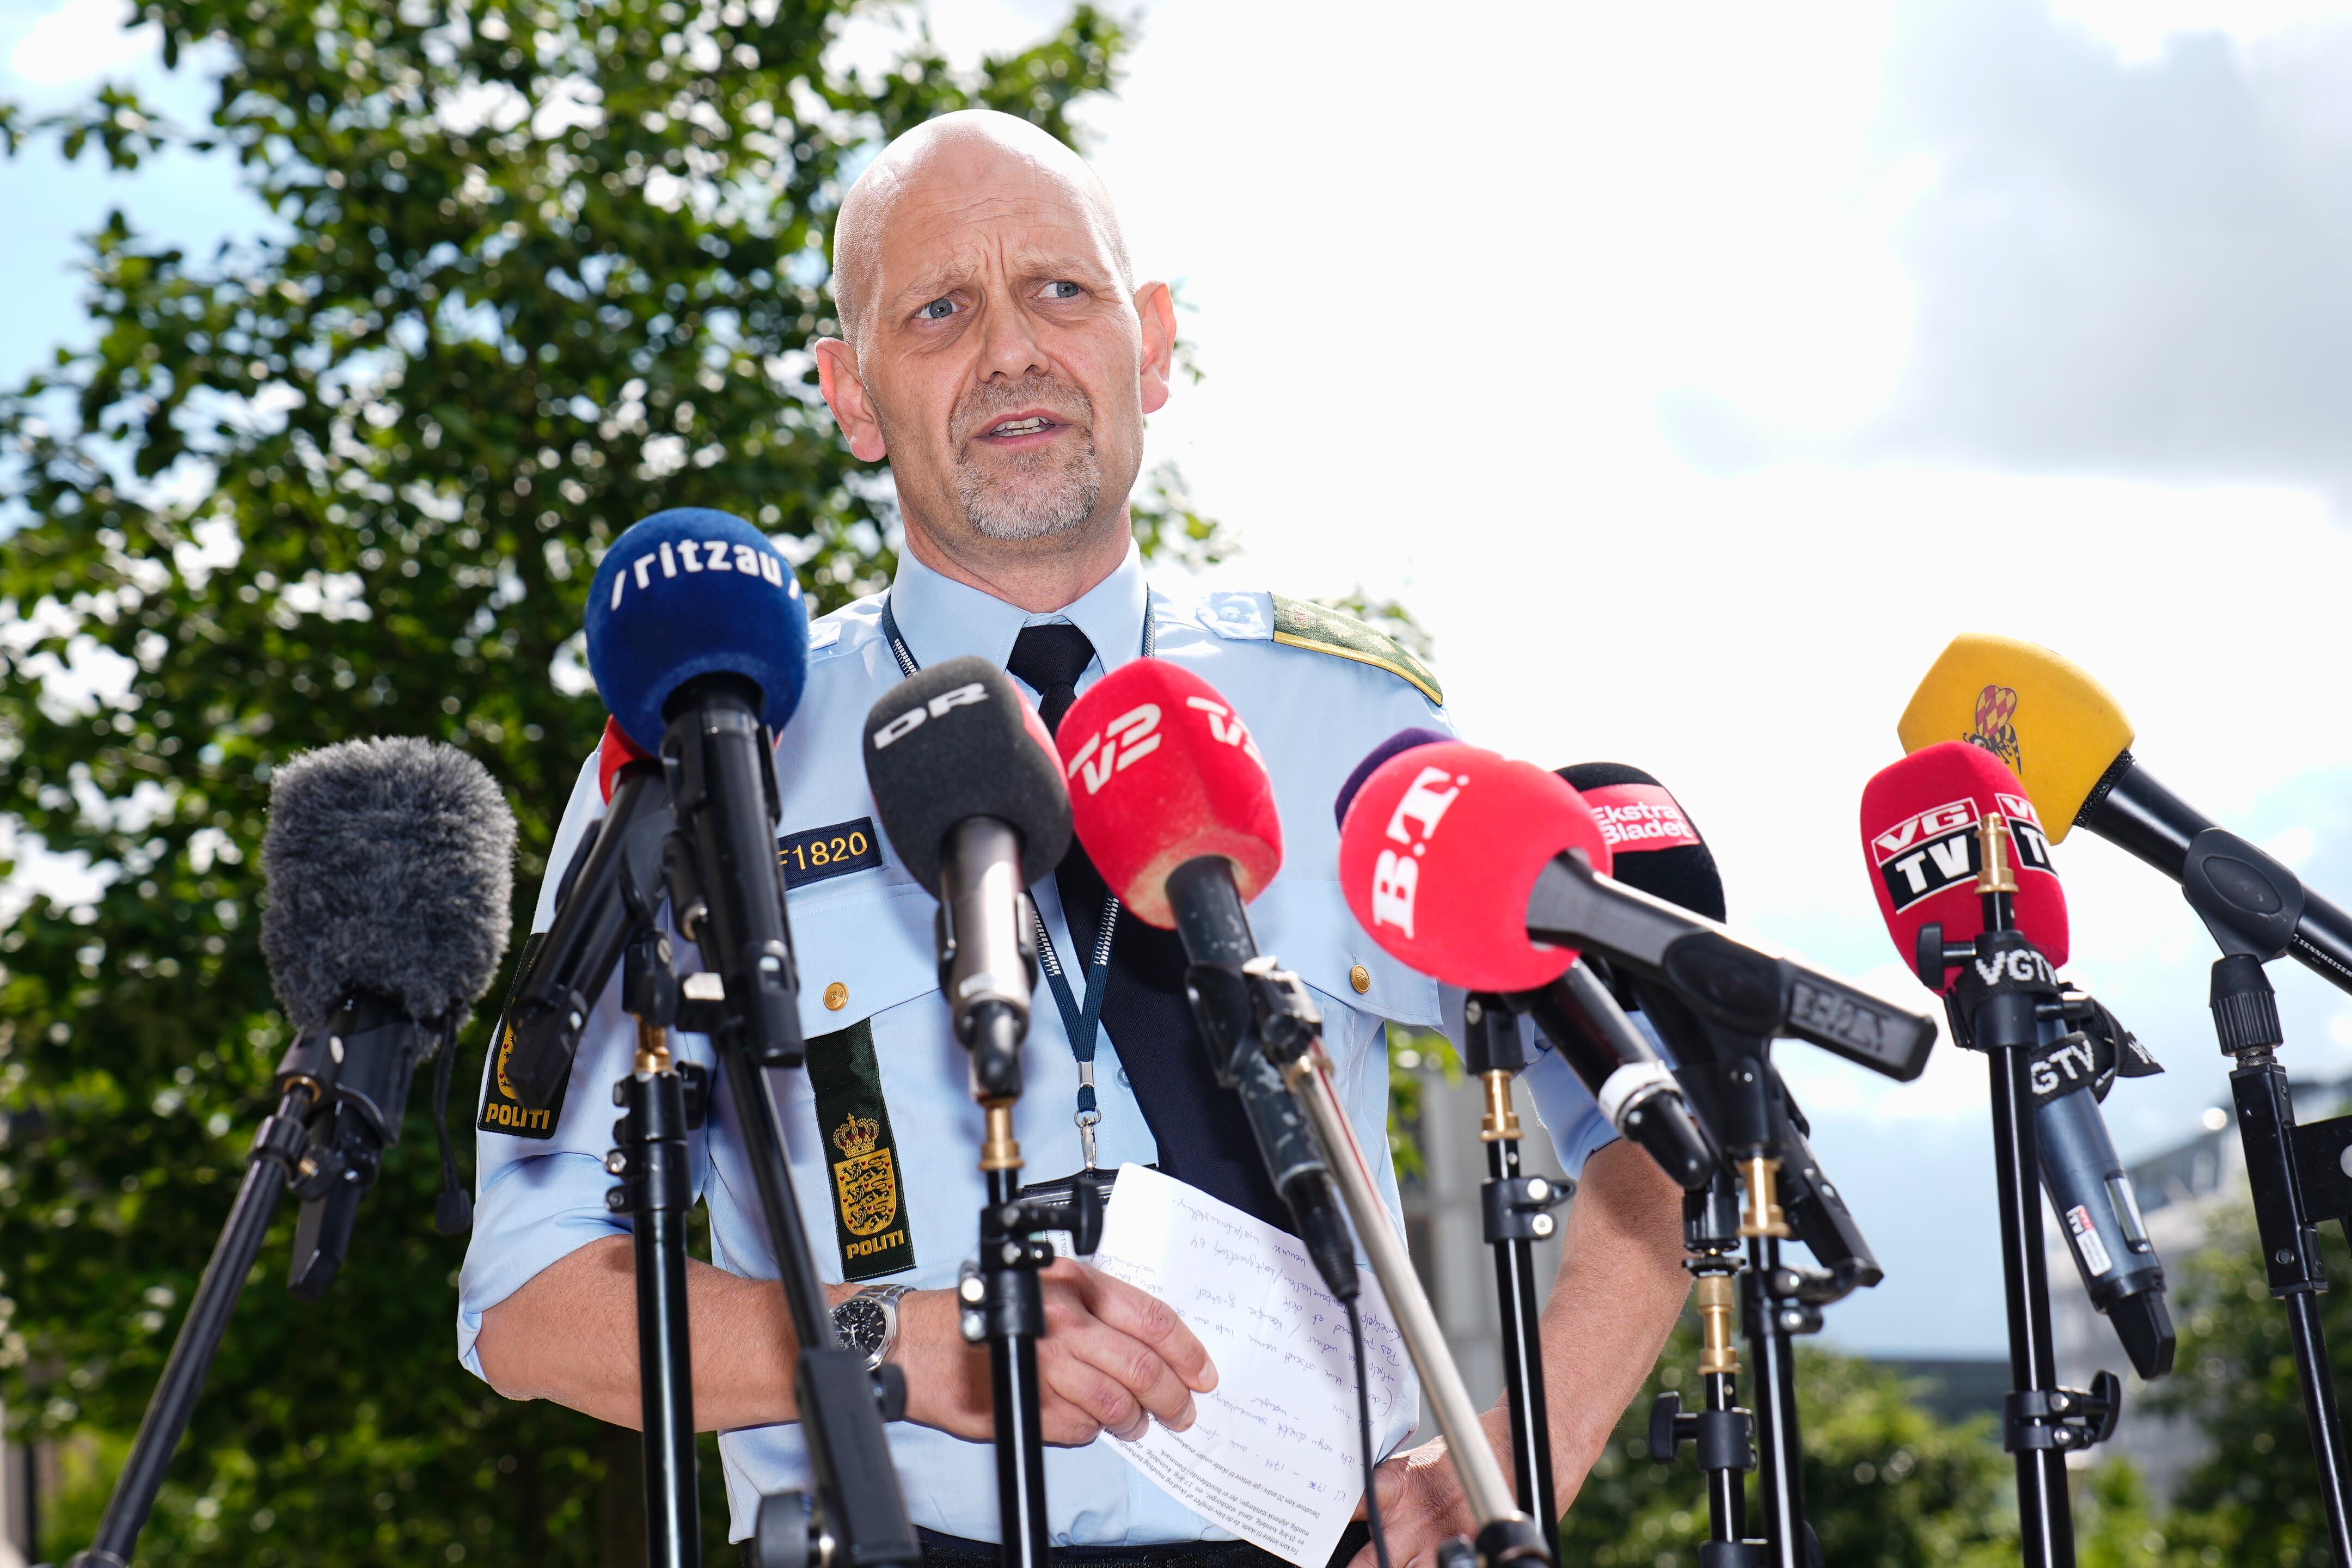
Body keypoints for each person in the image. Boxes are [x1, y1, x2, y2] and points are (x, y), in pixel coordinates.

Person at [461, 110, 1690, 1565]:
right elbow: (529, 1306)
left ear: (1153, 345)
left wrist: (1518, 1457)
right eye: (938, 311)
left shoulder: (1350, 728)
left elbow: (1662, 1124)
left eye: (1062, 291)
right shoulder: (714, 765)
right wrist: (905, 1343)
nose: (1013, 353)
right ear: (852, 395)